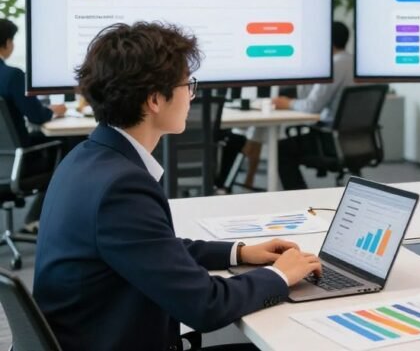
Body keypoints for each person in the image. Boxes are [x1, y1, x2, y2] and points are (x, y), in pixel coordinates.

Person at [34, 22, 323, 351]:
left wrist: (238, 253)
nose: (191, 95)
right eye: (188, 84)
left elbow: (152, 248)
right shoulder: (121, 187)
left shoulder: (86, 157)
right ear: (155, 99)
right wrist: (280, 276)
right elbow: (206, 306)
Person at [0, 18, 67, 231]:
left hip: (4, 157)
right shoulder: (12, 76)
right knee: (67, 147)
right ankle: (34, 218)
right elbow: (37, 116)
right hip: (17, 160)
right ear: (7, 43)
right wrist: (54, 111)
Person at [276, 21, 354, 190]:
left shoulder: (333, 65)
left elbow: (311, 106)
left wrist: (287, 103)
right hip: (356, 140)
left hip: (331, 141)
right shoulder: (354, 62)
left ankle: (300, 199)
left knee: (280, 149)